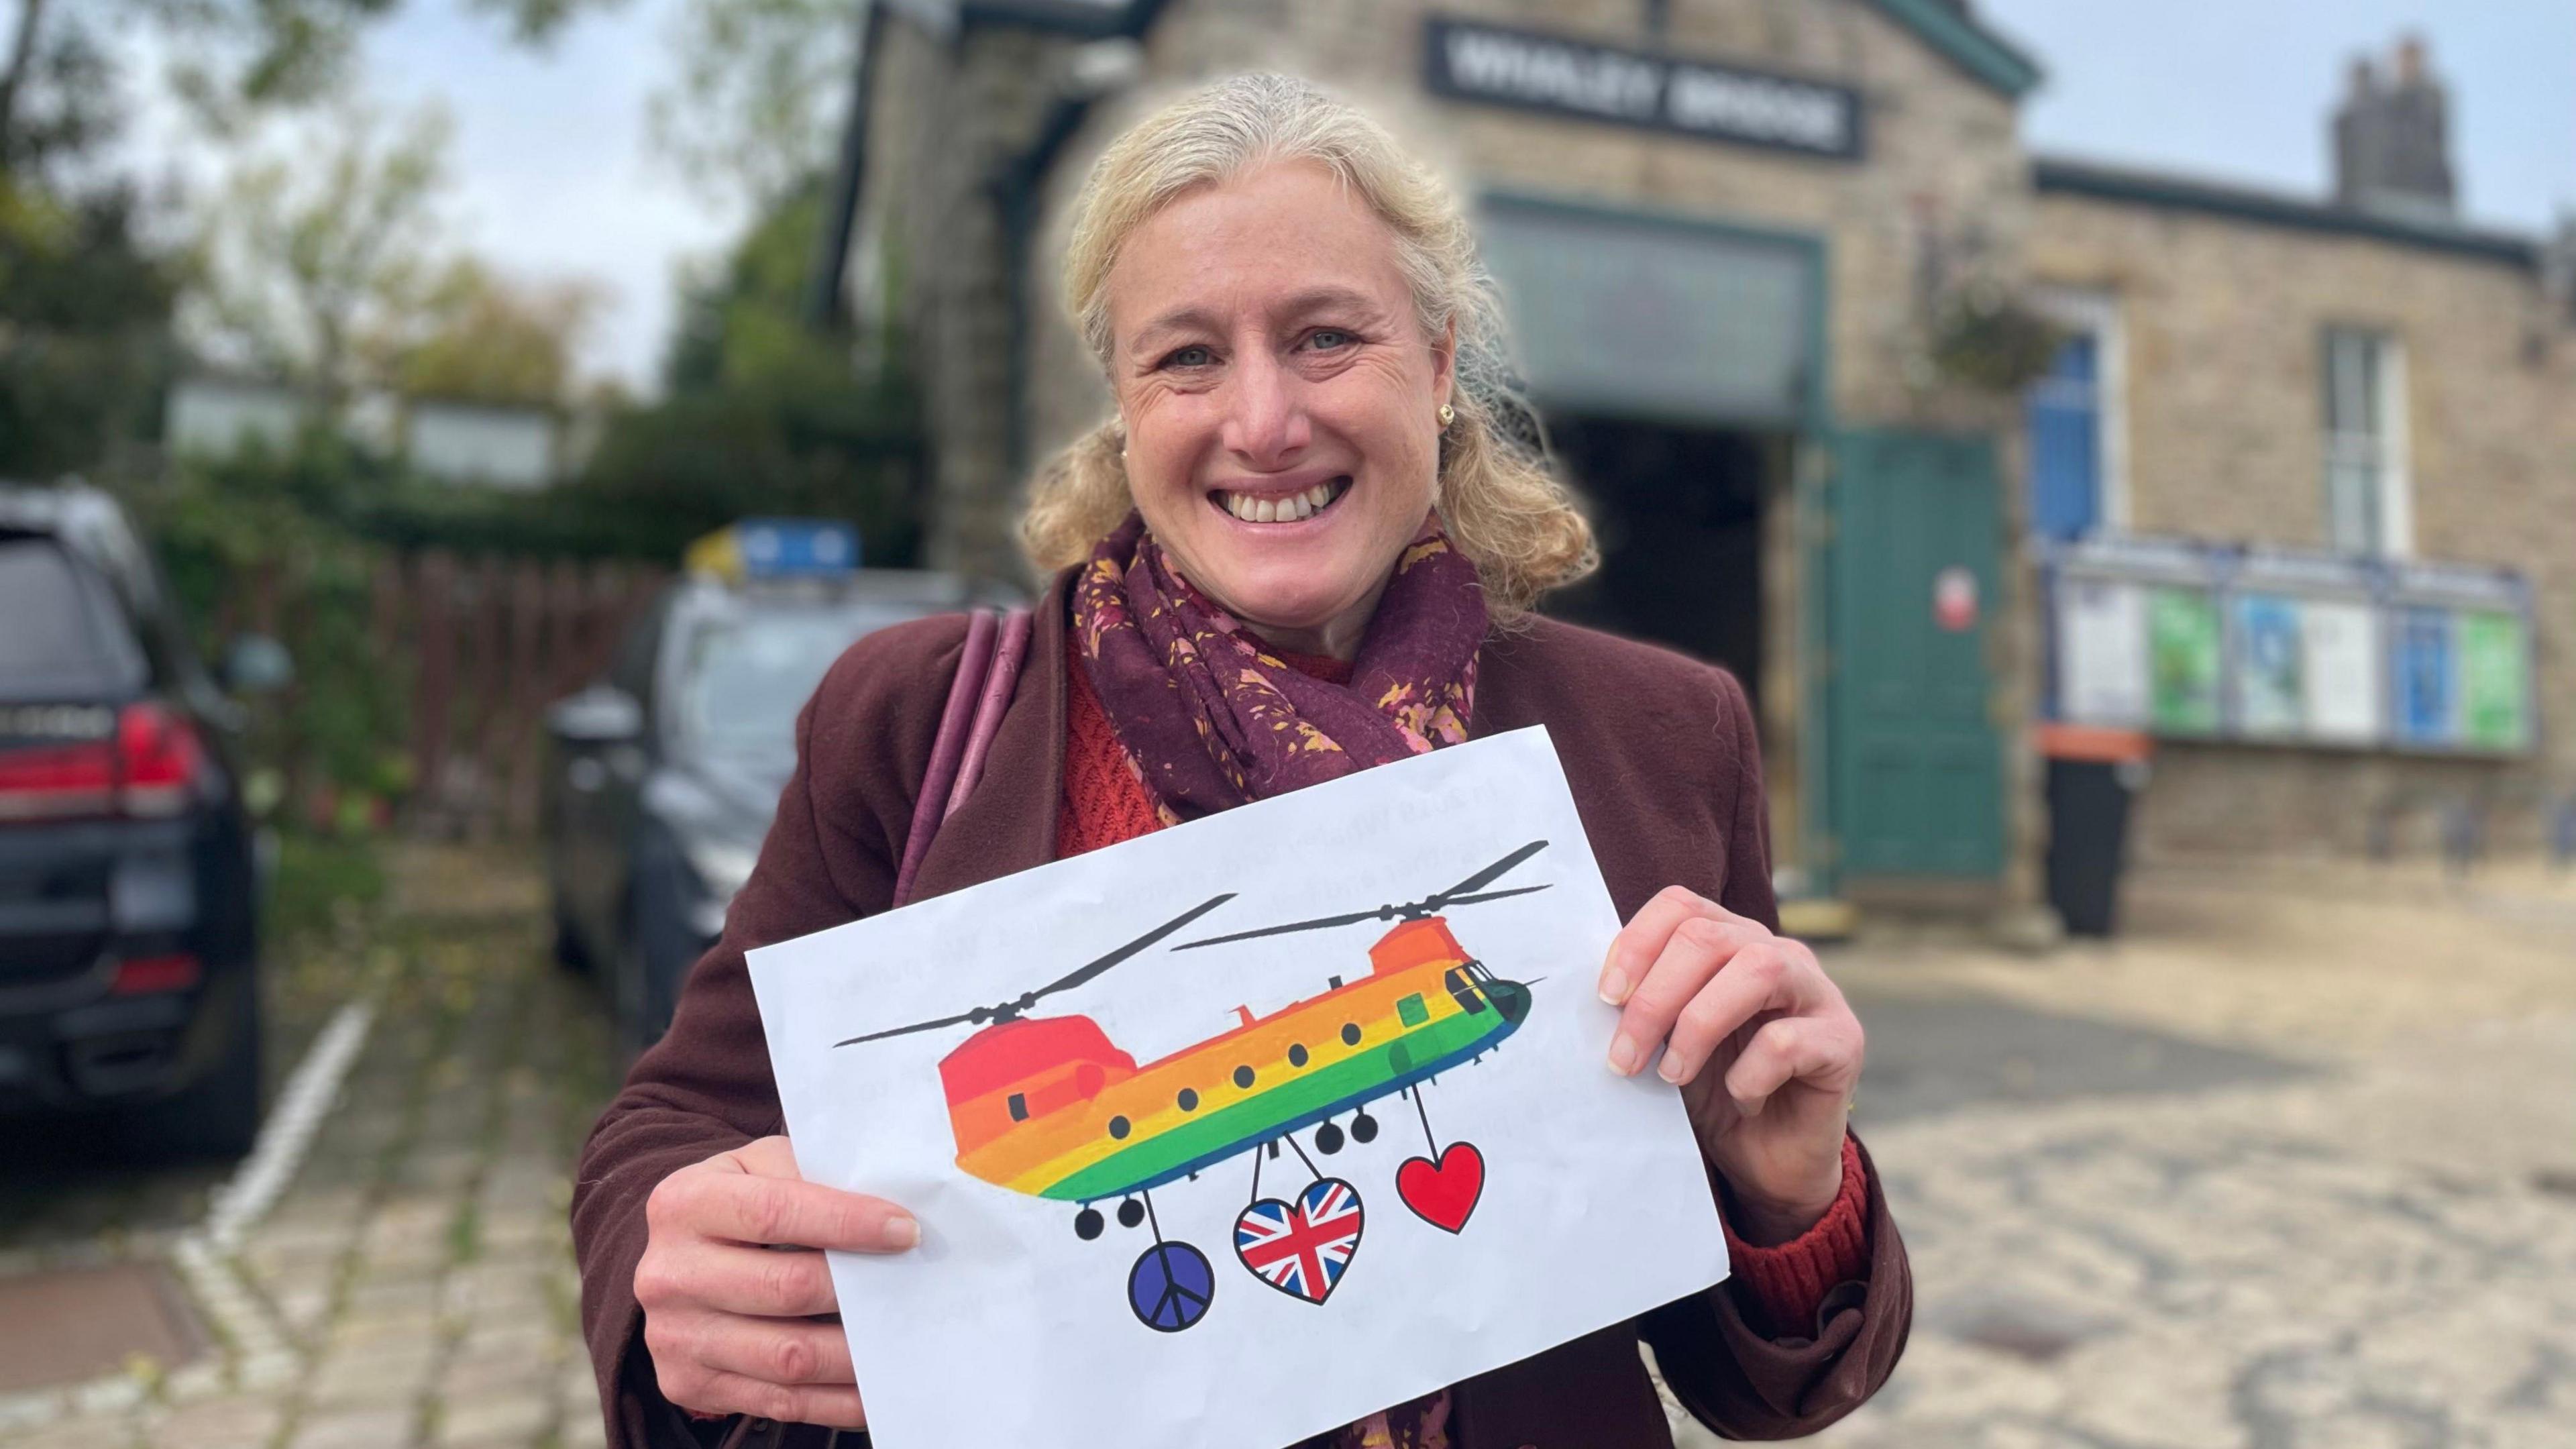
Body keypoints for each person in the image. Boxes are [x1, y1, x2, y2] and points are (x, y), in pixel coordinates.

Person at [574, 72, 1907, 1449]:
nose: (1263, 422)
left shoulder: (1664, 737)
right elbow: (673, 1118)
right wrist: (668, 1259)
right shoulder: (914, 723)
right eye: (1189, 357)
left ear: (1441, 364)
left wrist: (1793, 1197)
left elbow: (1746, 1373)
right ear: (1125, 401)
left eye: (1327, 338)